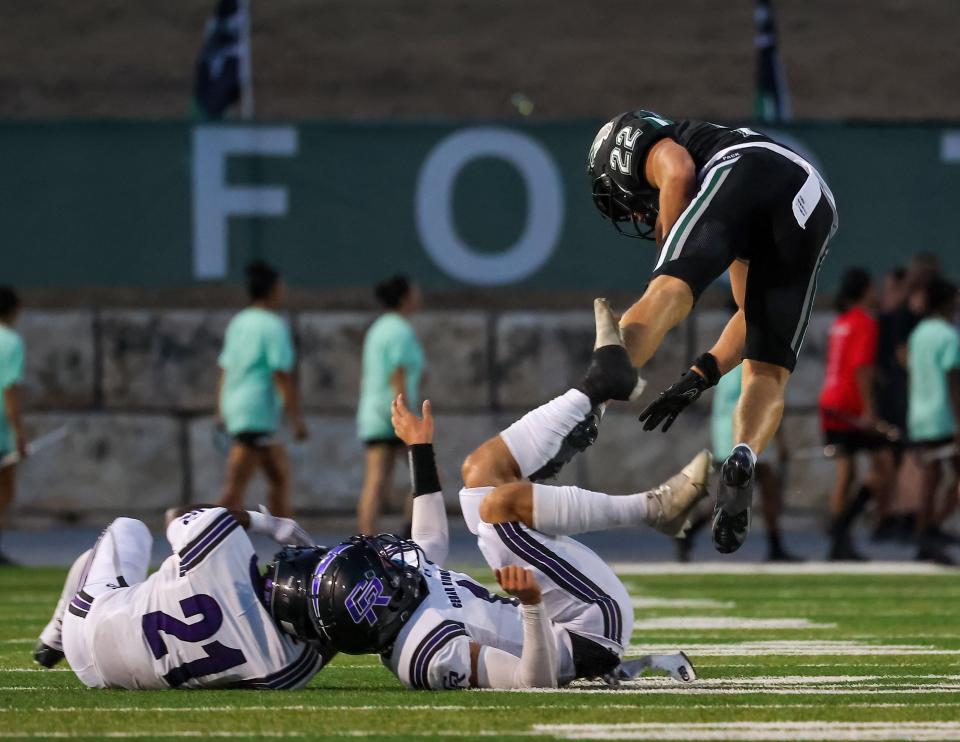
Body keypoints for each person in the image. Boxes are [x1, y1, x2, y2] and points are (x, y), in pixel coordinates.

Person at [290, 300, 707, 689]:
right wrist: (530, 605)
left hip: (565, 606)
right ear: (379, 604)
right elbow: (533, 681)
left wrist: (419, 448)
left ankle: (596, 390)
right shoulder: (425, 653)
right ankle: (654, 508)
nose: (387, 559)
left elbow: (429, 541)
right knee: (495, 508)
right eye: (380, 569)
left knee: (479, 474)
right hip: (588, 628)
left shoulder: (399, 596)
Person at [586, 110, 838, 555]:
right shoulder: (740, 199)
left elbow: (678, 169)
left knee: (668, 290)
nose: (639, 214)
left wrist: (669, 260)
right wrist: (704, 372)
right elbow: (746, 314)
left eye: (628, 204)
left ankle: (587, 404)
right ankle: (746, 453)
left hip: (746, 165)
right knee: (767, 371)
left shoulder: (637, 139)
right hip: (814, 201)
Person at [32, 504, 335, 688]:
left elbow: (177, 515)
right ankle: (58, 633)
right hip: (105, 680)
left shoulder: (225, 556)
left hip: (85, 628)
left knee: (128, 529)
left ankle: (55, 633)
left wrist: (268, 523)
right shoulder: (288, 668)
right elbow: (331, 632)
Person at [216, 261, 307, 518]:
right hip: (256, 411)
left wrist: (221, 408)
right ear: (271, 290)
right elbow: (280, 374)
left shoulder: (239, 322)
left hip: (239, 408)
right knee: (234, 488)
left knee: (278, 476)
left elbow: (226, 368)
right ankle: (202, 541)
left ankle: (287, 543)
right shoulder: (272, 326)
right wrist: (296, 419)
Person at [818, 268, 897, 561]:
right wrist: (870, 410)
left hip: (830, 400)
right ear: (864, 291)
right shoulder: (865, 322)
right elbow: (860, 367)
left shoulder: (840, 323)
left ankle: (839, 538)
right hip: (850, 404)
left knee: (845, 473)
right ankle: (840, 528)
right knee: (885, 466)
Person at [695, 364, 798, 563]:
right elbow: (766, 398)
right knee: (763, 489)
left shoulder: (728, 362)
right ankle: (775, 545)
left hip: (728, 433)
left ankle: (690, 531)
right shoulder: (753, 362)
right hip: (745, 434)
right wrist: (781, 441)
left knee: (737, 492)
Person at [356, 275, 424, 534]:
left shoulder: (380, 327)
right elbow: (397, 375)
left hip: (375, 413)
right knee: (428, 473)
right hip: (394, 414)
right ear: (405, 297)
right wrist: (406, 414)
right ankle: (410, 533)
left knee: (376, 480)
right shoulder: (399, 329)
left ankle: (365, 539)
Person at [906, 278, 960, 565]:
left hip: (920, 413)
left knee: (931, 478)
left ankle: (927, 533)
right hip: (943, 416)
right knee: (940, 479)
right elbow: (954, 384)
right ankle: (932, 530)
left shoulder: (920, 333)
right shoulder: (948, 335)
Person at [0, 286, 27, 566]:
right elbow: (10, 389)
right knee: (5, 489)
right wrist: (19, 433)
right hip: (0, 429)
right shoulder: (11, 342)